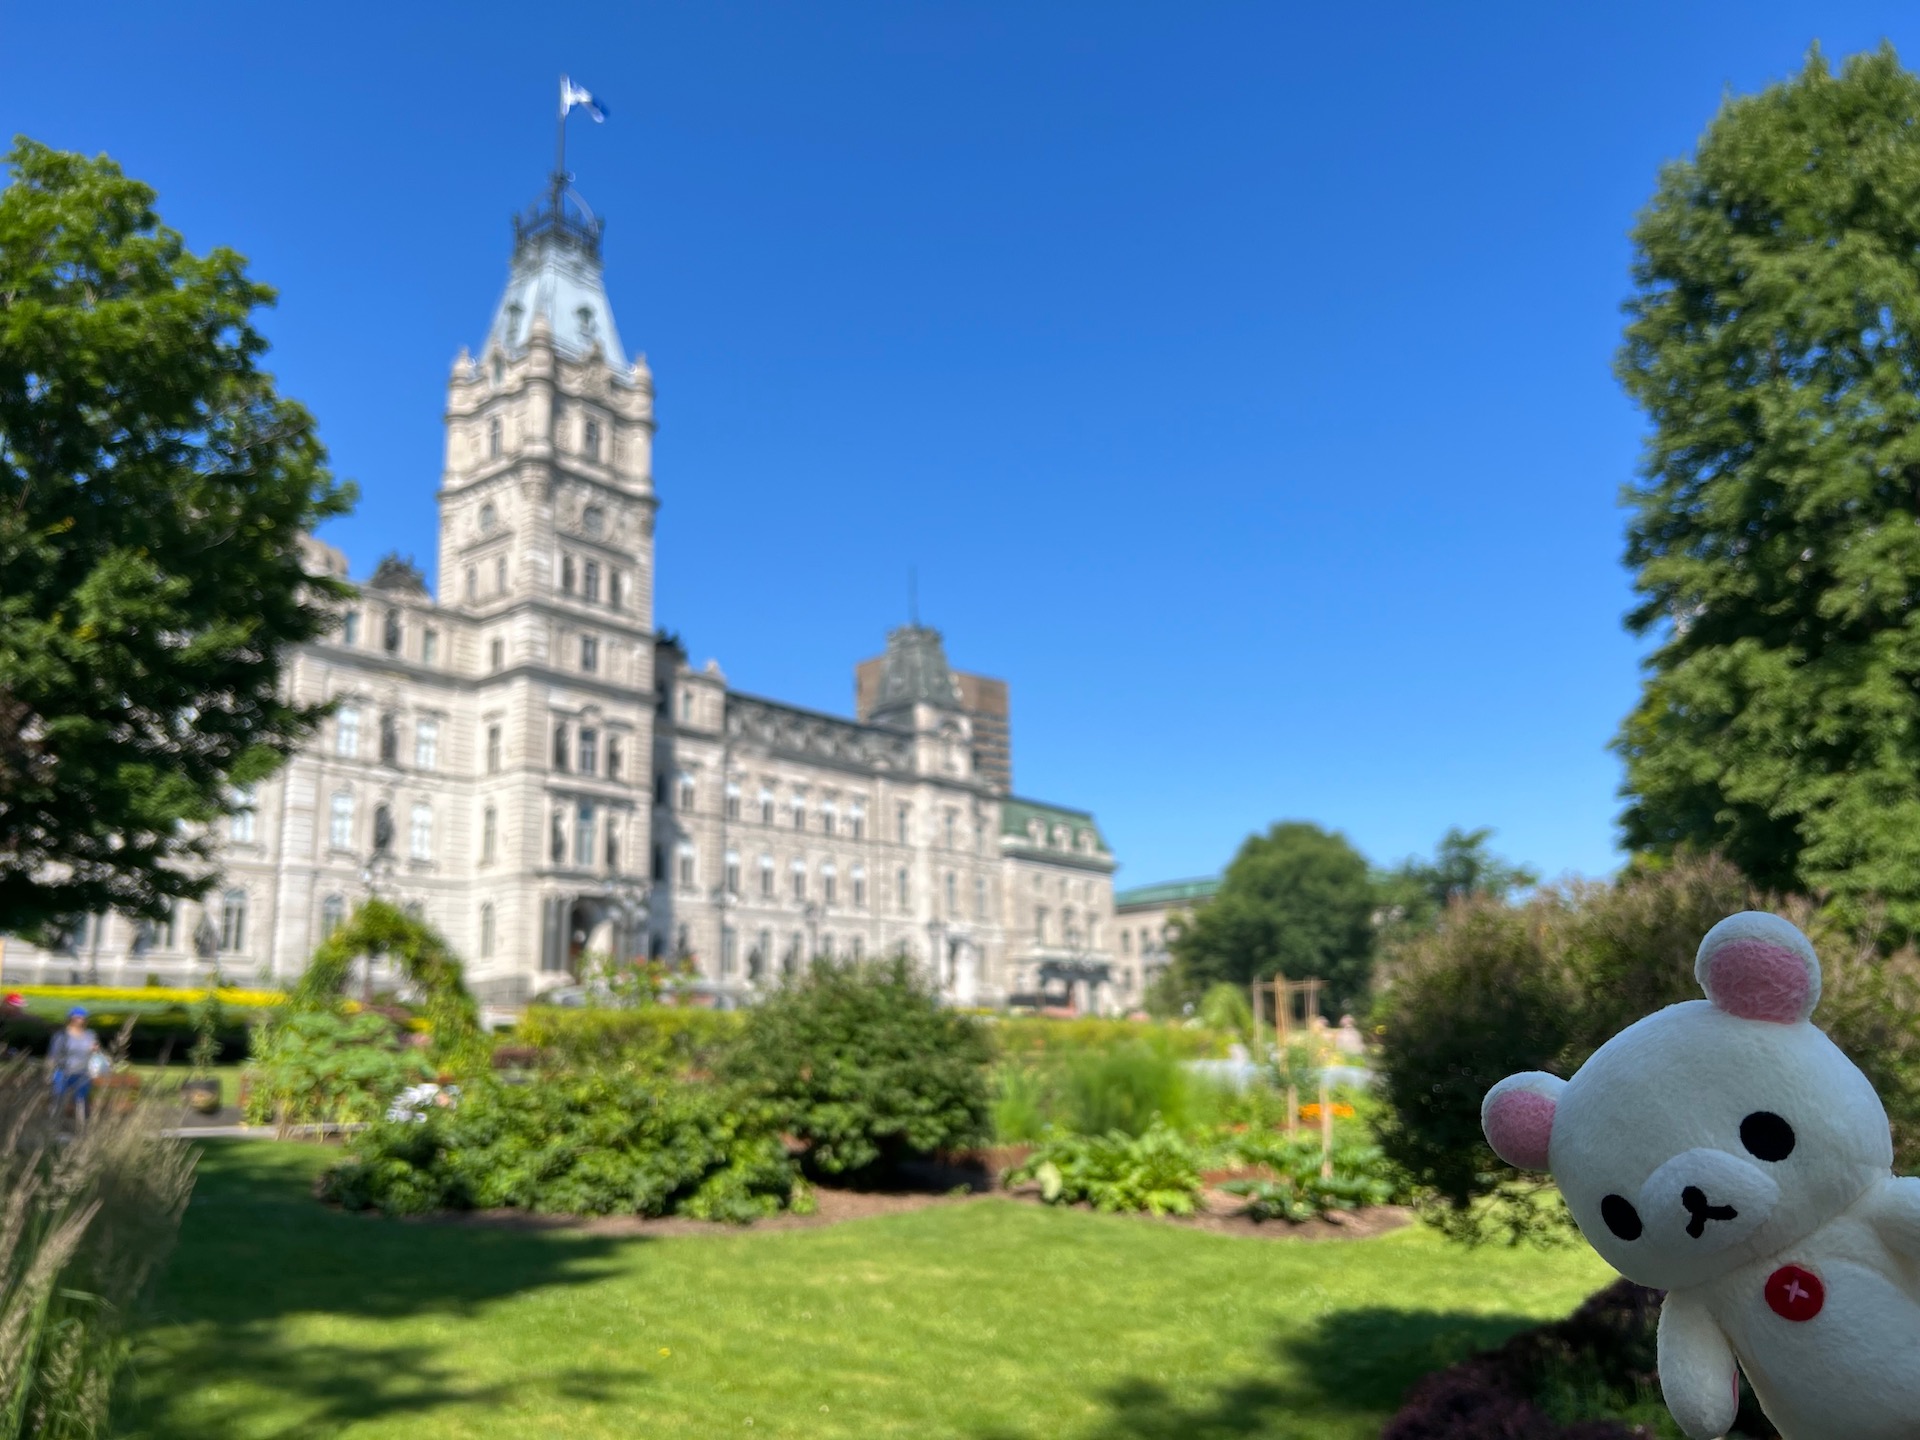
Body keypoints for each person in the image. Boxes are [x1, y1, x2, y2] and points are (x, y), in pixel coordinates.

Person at [48, 1008, 101, 1124]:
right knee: (59, 1099)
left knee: (81, 1101)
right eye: (77, 1017)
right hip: (63, 1072)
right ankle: (53, 1125)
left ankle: (80, 1127)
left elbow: (96, 1052)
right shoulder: (61, 1035)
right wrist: (49, 1071)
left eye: (82, 1017)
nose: (80, 1020)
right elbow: (53, 1055)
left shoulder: (90, 1035)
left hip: (83, 1073)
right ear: (70, 1018)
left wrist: (95, 1050)